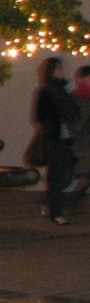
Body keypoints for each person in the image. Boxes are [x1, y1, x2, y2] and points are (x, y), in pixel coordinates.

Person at [31, 57, 79, 224]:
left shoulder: (56, 90)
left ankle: (54, 208)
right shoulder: (52, 90)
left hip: (59, 136)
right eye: (59, 68)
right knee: (57, 174)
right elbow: (45, 115)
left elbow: (39, 117)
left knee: (60, 173)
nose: (62, 71)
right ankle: (55, 211)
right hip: (55, 137)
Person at [68, 65, 90, 207]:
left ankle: (71, 201)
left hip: (82, 142)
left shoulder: (75, 97)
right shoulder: (76, 98)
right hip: (81, 142)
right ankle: (70, 201)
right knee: (86, 173)